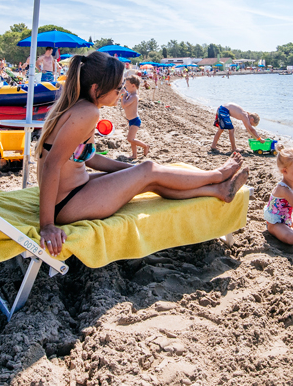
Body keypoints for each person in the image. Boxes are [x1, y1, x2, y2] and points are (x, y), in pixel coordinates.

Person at [35, 52, 250, 257]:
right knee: (149, 170)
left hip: (73, 192)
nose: (121, 92)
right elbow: (51, 165)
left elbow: (89, 157)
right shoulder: (88, 112)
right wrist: (47, 226)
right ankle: (217, 175)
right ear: (96, 89)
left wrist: (132, 171)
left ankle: (219, 190)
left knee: (148, 178)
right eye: (117, 88)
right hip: (66, 203)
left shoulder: (80, 107)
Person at [121, 75, 149, 158]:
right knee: (132, 139)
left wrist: (123, 95)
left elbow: (124, 105)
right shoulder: (130, 95)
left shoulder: (134, 96)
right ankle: (134, 155)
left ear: (133, 86)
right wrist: (125, 95)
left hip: (135, 120)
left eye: (126, 85)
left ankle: (145, 146)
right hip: (130, 120)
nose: (125, 87)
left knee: (130, 139)